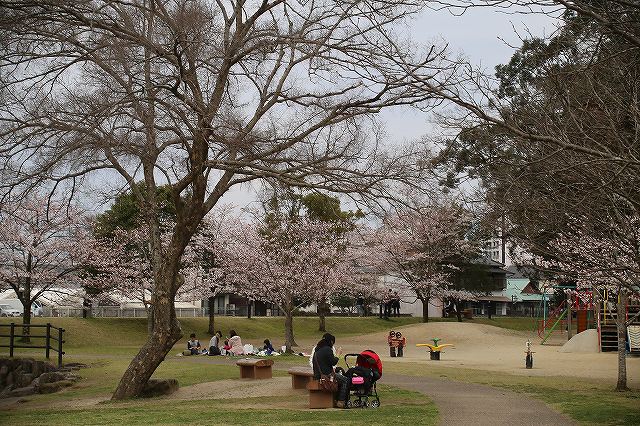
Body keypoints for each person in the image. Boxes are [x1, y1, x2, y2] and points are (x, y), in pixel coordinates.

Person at [311, 333, 349, 408]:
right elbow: (333, 362)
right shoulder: (327, 349)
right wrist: (338, 354)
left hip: (317, 375)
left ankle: (335, 400)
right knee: (345, 380)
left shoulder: (317, 351)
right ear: (331, 341)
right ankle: (340, 401)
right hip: (326, 376)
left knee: (339, 380)